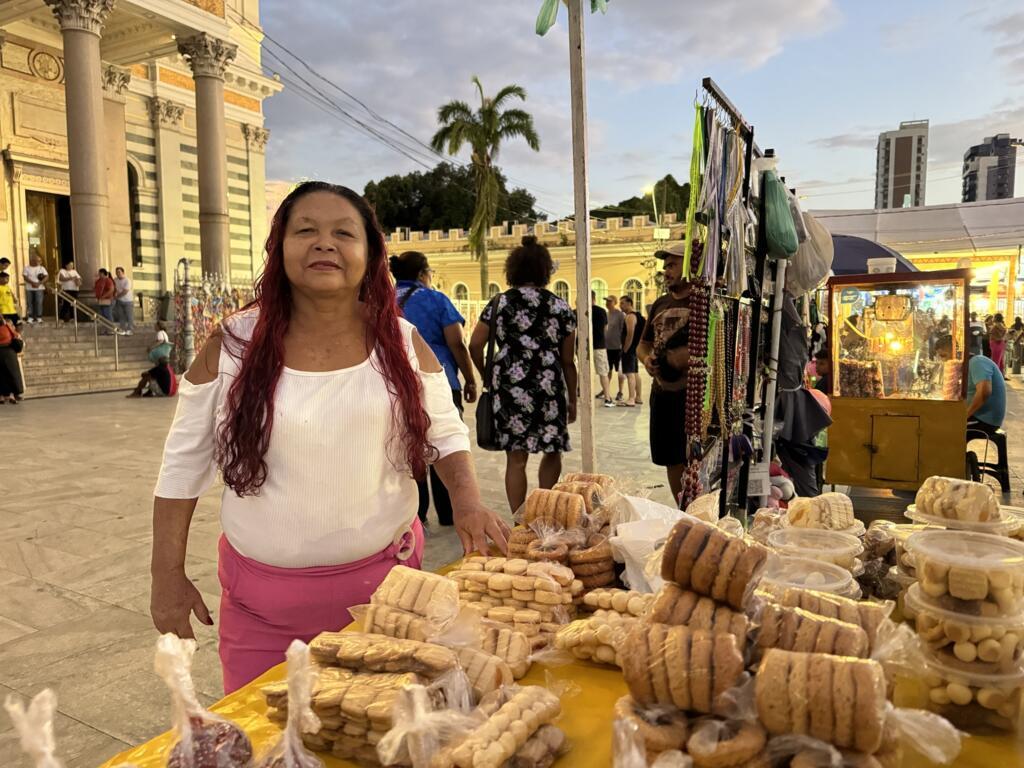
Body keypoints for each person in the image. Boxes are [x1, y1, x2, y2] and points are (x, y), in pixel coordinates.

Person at [151, 181, 509, 692]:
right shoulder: (233, 342)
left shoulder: (401, 341)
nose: (325, 243)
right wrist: (166, 575)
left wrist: (469, 502)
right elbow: (183, 464)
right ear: (279, 249)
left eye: (344, 232)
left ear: (370, 254)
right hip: (262, 613)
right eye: (306, 231)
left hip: (391, 603)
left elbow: (444, 431)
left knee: (376, 736)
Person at [469, 235, 578, 513]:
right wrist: (573, 398)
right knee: (552, 451)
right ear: (545, 271)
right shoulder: (559, 306)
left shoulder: (500, 303)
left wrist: (487, 375)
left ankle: (519, 521)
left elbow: (475, 344)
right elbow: (568, 360)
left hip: (509, 385)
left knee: (516, 458)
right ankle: (546, 511)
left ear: (512, 270)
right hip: (548, 386)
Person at [389, 250, 478, 527]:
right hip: (440, 382)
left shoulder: (381, 300)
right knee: (443, 443)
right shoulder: (435, 299)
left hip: (393, 384)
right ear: (423, 273)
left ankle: (417, 514)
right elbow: (457, 342)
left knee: (408, 448)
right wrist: (470, 378)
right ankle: (450, 512)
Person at [637, 242, 693, 502]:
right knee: (672, 459)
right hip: (663, 395)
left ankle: (698, 509)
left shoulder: (706, 301)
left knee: (696, 458)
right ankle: (683, 507)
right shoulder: (660, 304)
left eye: (672, 265)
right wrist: (647, 359)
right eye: (665, 266)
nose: (666, 271)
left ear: (691, 263)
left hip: (693, 398)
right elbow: (643, 345)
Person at [936, 334, 1005, 436]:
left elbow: (984, 391)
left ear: (956, 351)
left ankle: (953, 452)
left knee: (939, 429)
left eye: (944, 356)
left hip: (985, 421)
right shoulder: (967, 366)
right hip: (976, 416)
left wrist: (965, 416)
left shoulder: (977, 362)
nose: (944, 361)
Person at [618, 295, 645, 407]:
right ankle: (638, 397)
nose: (620, 306)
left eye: (622, 303)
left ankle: (631, 398)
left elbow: (630, 334)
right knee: (635, 373)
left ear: (629, 303)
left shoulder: (630, 317)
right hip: (635, 348)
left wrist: (625, 348)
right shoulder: (639, 316)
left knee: (629, 374)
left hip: (630, 349)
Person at [590, 290, 612, 407]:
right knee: (603, 372)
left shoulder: (579, 311)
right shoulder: (601, 311)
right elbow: (605, 329)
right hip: (599, 345)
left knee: (584, 373)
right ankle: (607, 398)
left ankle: (585, 396)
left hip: (585, 347)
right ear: (594, 298)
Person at [605, 295, 626, 401]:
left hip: (617, 347)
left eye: (609, 301)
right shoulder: (606, 314)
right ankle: (606, 391)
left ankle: (620, 391)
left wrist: (623, 344)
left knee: (620, 371)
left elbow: (623, 330)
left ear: (615, 302)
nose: (607, 303)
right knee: (607, 370)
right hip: (607, 347)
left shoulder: (620, 315)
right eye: (606, 301)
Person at [0, 319, 24, 403]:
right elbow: (15, 335)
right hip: (8, 353)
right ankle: (12, 395)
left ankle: (2, 396)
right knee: (11, 375)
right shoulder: (7, 327)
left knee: (2, 376)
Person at [22, 250, 47, 324]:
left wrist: (39, 283)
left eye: (39, 261)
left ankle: (39, 317)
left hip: (39, 288)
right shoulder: (27, 268)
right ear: (32, 260)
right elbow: (25, 277)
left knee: (39, 302)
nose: (38, 262)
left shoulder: (41, 268)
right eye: (36, 260)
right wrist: (32, 283)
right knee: (30, 302)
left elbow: (46, 276)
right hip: (29, 288)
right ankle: (30, 317)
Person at [113, 266, 135, 335]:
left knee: (129, 316)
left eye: (119, 272)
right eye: (116, 272)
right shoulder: (115, 280)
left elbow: (125, 291)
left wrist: (116, 297)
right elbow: (114, 289)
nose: (117, 273)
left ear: (123, 272)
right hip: (119, 301)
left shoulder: (127, 280)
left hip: (128, 301)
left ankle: (130, 329)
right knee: (121, 316)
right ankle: (122, 329)